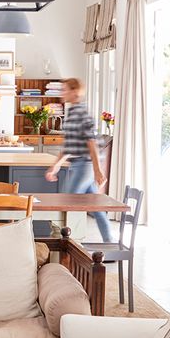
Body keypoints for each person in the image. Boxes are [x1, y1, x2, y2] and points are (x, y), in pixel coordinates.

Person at [45, 78, 113, 242]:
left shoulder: (82, 113)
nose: (62, 92)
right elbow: (69, 145)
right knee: (96, 206)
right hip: (79, 165)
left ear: (75, 92)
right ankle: (109, 242)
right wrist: (55, 166)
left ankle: (68, 244)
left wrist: (97, 170)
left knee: (67, 202)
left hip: (85, 166)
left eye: (65, 89)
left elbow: (91, 143)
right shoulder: (72, 112)